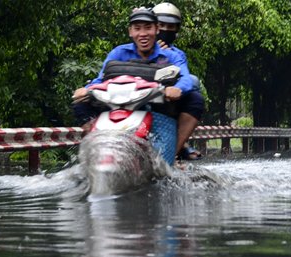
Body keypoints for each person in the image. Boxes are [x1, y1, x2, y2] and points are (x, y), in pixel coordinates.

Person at [72, 8, 195, 144]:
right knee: (80, 103)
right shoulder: (118, 53)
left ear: (156, 29)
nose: (143, 34)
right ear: (130, 31)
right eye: (137, 29)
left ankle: (175, 153)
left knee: (195, 99)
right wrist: (86, 89)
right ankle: (94, 143)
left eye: (148, 28)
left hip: (157, 104)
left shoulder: (172, 55)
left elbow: (186, 79)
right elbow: (101, 79)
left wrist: (176, 89)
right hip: (119, 104)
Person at [152, 2, 205, 160]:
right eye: (162, 25)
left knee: (194, 88)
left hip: (167, 99)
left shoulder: (177, 54)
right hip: (138, 95)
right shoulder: (129, 48)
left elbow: (186, 79)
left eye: (171, 26)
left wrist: (165, 56)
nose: (166, 30)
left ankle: (174, 152)